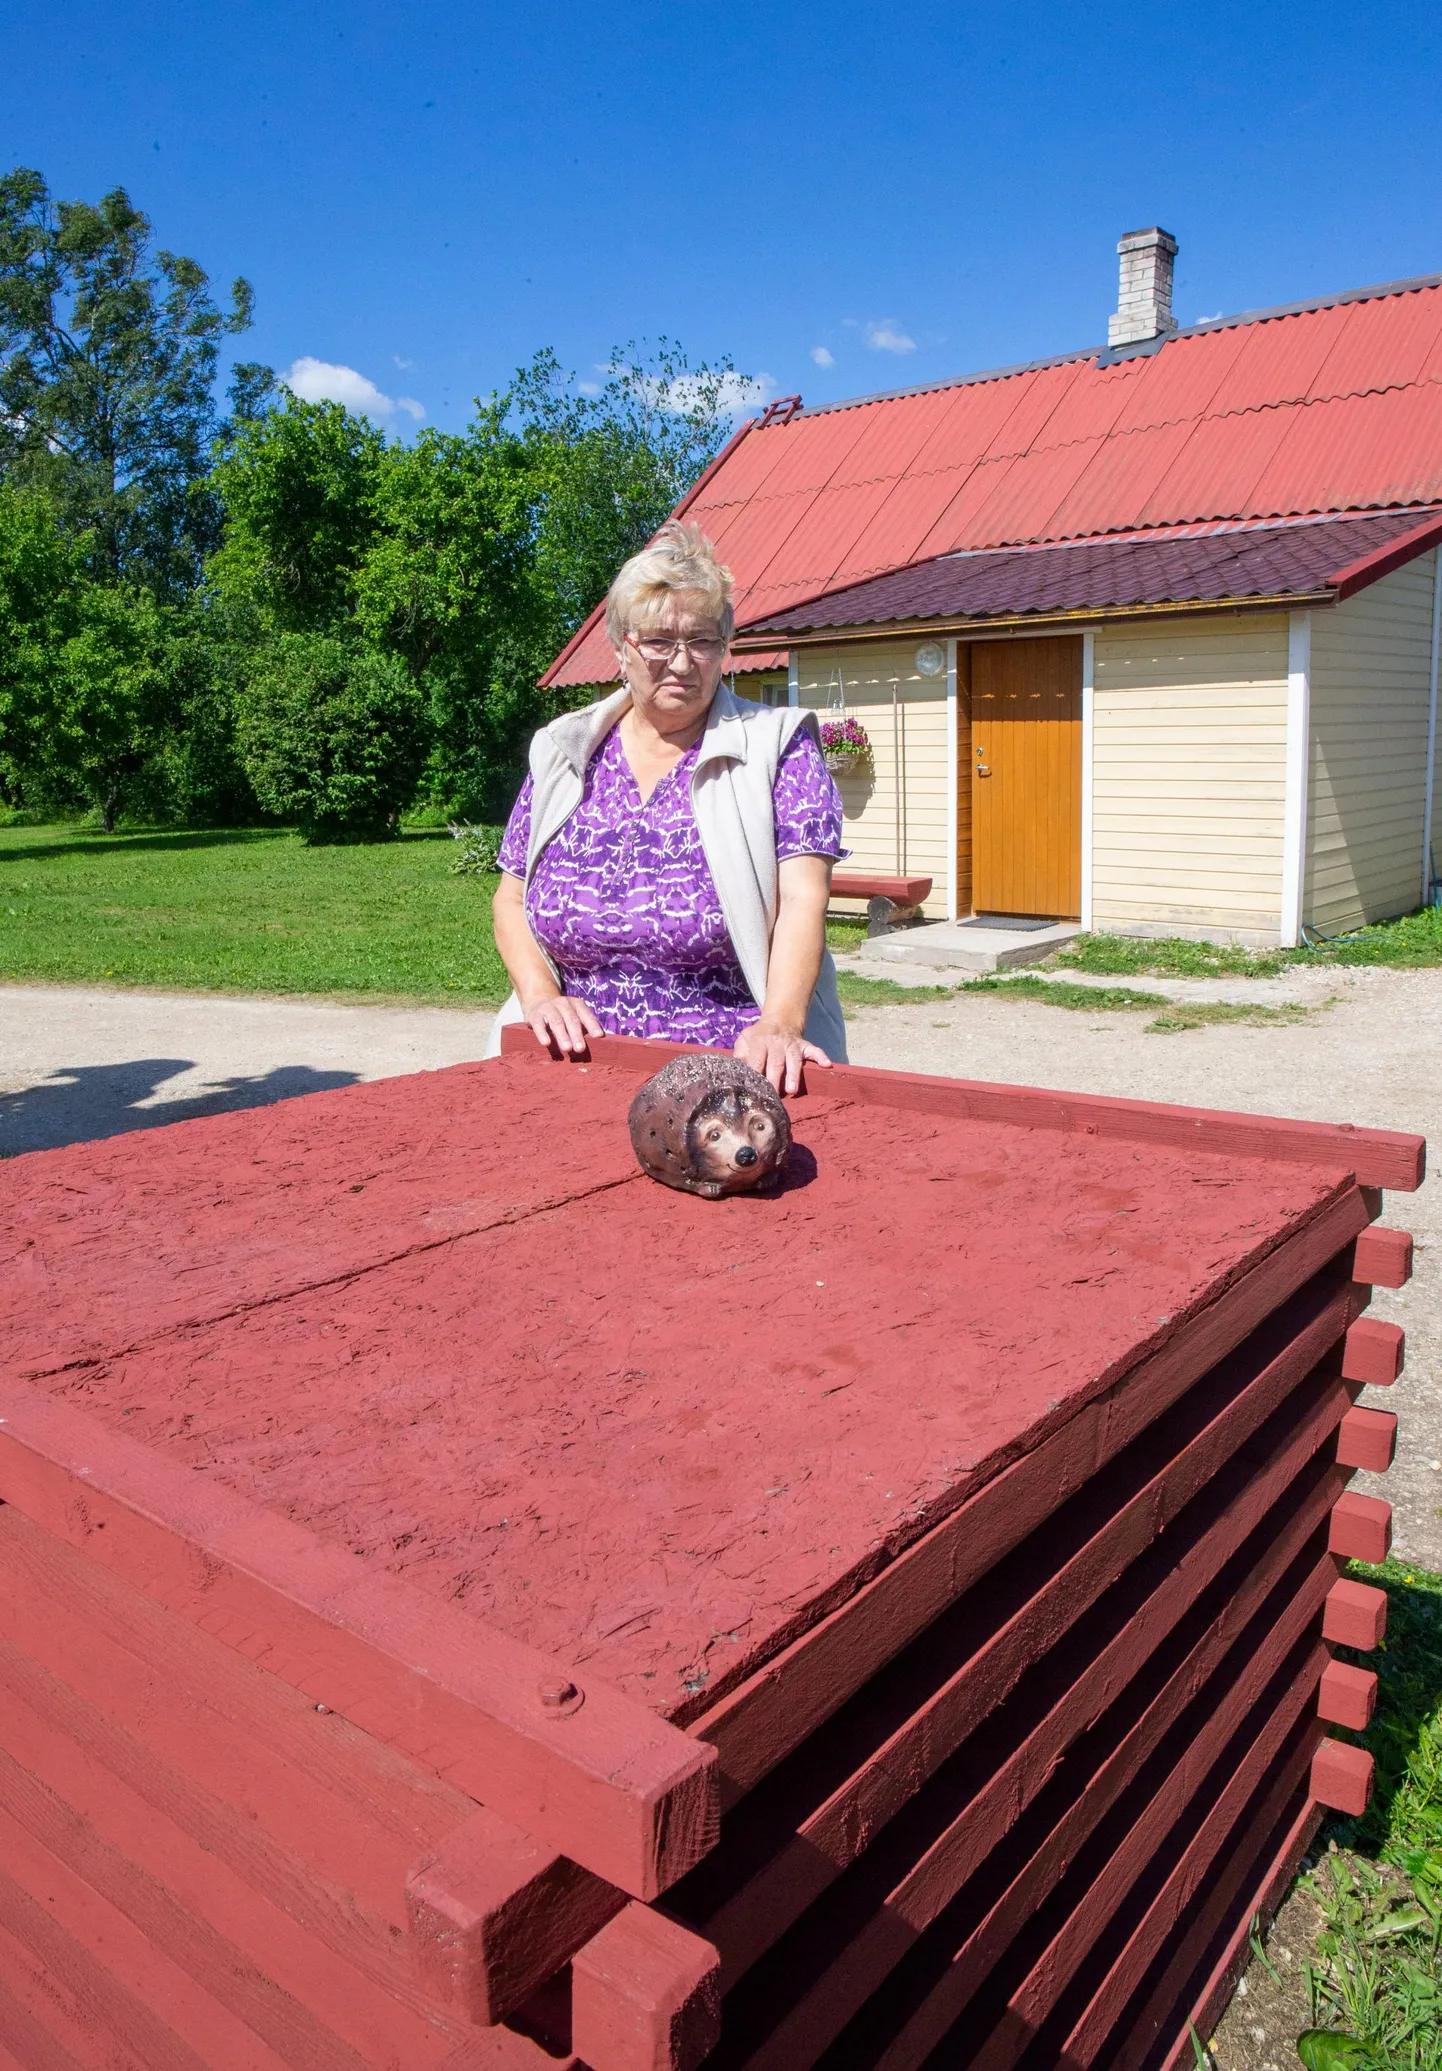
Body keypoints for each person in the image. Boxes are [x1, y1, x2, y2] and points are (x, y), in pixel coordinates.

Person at [488, 520, 847, 1093]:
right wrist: (540, 996)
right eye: (659, 641)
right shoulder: (564, 749)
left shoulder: (776, 745)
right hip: (566, 1065)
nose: (682, 663)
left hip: (730, 1074)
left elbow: (805, 895)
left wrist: (779, 1023)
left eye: (703, 641)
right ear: (619, 648)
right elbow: (510, 898)